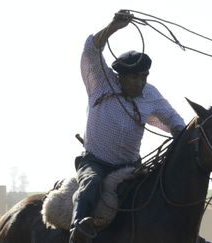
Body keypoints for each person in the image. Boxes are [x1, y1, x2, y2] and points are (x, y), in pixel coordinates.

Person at [69, 10, 186, 243]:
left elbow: (173, 119)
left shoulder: (150, 94)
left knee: (159, 190)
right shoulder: (100, 81)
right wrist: (114, 26)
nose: (141, 83)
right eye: (135, 78)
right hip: (95, 163)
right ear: (120, 76)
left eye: (144, 77)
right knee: (90, 184)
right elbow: (91, 49)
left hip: (131, 166)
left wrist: (181, 133)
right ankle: (77, 231)